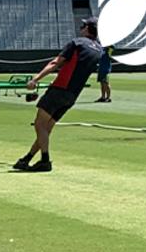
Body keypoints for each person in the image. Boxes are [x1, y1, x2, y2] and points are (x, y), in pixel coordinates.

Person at [15, 17, 103, 172]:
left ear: (88, 29)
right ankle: (26, 159)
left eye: (83, 26)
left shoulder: (77, 43)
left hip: (60, 89)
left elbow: (56, 63)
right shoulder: (99, 50)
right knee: (46, 128)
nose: (80, 28)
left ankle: (45, 160)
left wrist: (35, 79)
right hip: (72, 95)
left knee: (40, 124)